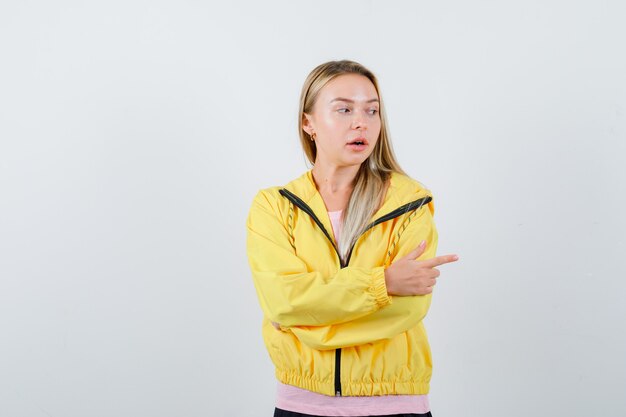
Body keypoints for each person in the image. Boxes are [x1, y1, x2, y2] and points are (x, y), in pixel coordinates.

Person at [246, 59, 459, 417]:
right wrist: (384, 282)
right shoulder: (274, 206)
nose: (362, 122)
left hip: (396, 406)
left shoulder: (410, 204)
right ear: (307, 122)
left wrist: (307, 324)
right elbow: (282, 300)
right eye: (344, 109)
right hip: (301, 404)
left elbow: (408, 309)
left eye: (372, 110)